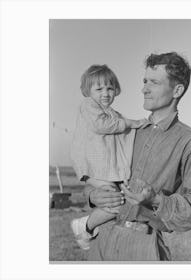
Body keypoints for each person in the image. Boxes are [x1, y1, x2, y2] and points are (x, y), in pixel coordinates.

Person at [83, 52, 191, 261]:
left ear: (177, 90)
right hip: (101, 240)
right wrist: (92, 196)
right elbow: (98, 174)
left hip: (142, 247)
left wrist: (156, 199)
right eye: (144, 81)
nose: (144, 88)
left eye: (154, 82)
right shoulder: (126, 129)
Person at [70, 64, 146, 250]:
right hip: (92, 165)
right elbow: (102, 126)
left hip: (106, 167)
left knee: (123, 197)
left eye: (110, 88)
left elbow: (122, 138)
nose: (106, 93)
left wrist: (140, 127)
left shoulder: (113, 114)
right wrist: (131, 122)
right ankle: (85, 225)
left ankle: (123, 221)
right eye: (99, 88)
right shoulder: (88, 105)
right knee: (114, 199)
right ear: (88, 91)